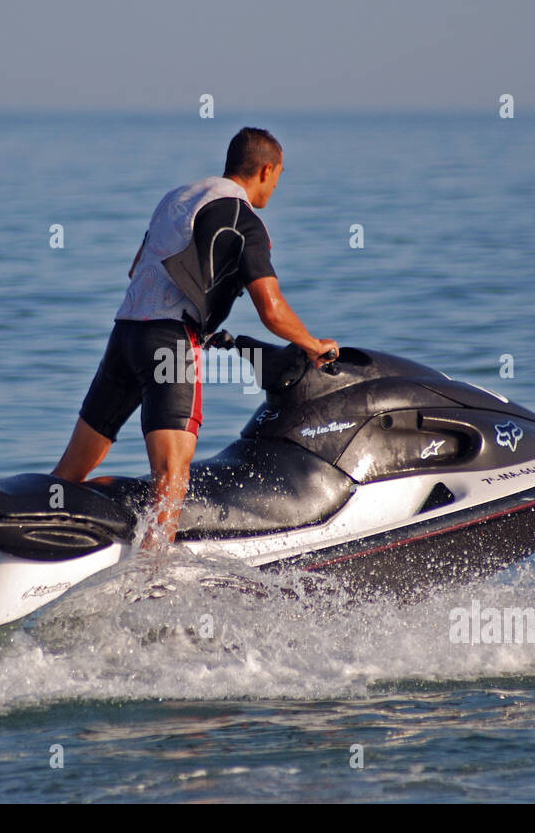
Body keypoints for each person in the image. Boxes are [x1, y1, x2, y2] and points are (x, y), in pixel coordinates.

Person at [51, 127, 338, 547]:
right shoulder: (246, 220)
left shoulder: (178, 198)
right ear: (266, 169)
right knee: (171, 477)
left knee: (71, 471)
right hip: (170, 343)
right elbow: (272, 311)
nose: (276, 187)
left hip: (125, 334)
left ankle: (36, 538)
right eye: (278, 177)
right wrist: (315, 346)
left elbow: (136, 269)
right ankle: (153, 582)